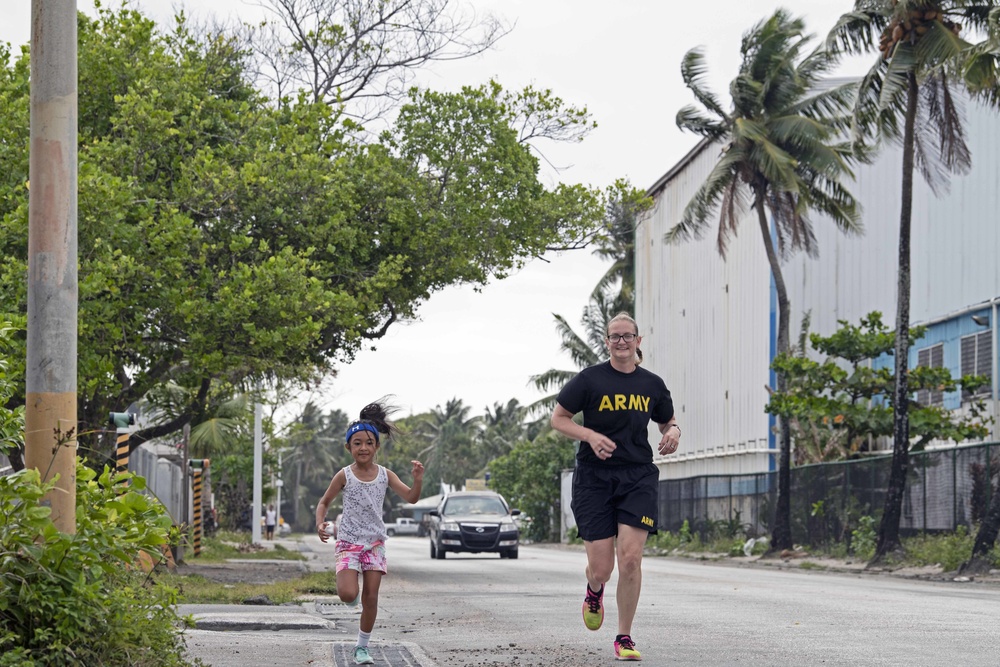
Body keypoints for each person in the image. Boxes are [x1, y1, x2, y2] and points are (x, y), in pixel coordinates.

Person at [550, 312, 680, 662]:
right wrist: (590, 435)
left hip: (637, 475)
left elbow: (667, 418)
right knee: (603, 568)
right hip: (594, 478)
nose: (621, 342)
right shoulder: (590, 380)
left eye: (628, 336)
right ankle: (594, 590)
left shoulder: (652, 384)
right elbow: (558, 418)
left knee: (632, 559)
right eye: (615, 337)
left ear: (639, 341)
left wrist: (673, 431)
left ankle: (624, 636)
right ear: (607, 342)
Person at [316, 399, 424, 666]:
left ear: (376, 446)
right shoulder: (344, 475)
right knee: (347, 594)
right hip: (349, 543)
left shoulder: (386, 475)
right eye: (357, 443)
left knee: (371, 596)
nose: (363, 448)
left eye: (368, 443)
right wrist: (320, 522)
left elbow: (411, 498)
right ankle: (351, 596)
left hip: (375, 544)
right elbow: (324, 502)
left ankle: (362, 647)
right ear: (348, 447)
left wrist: (418, 479)